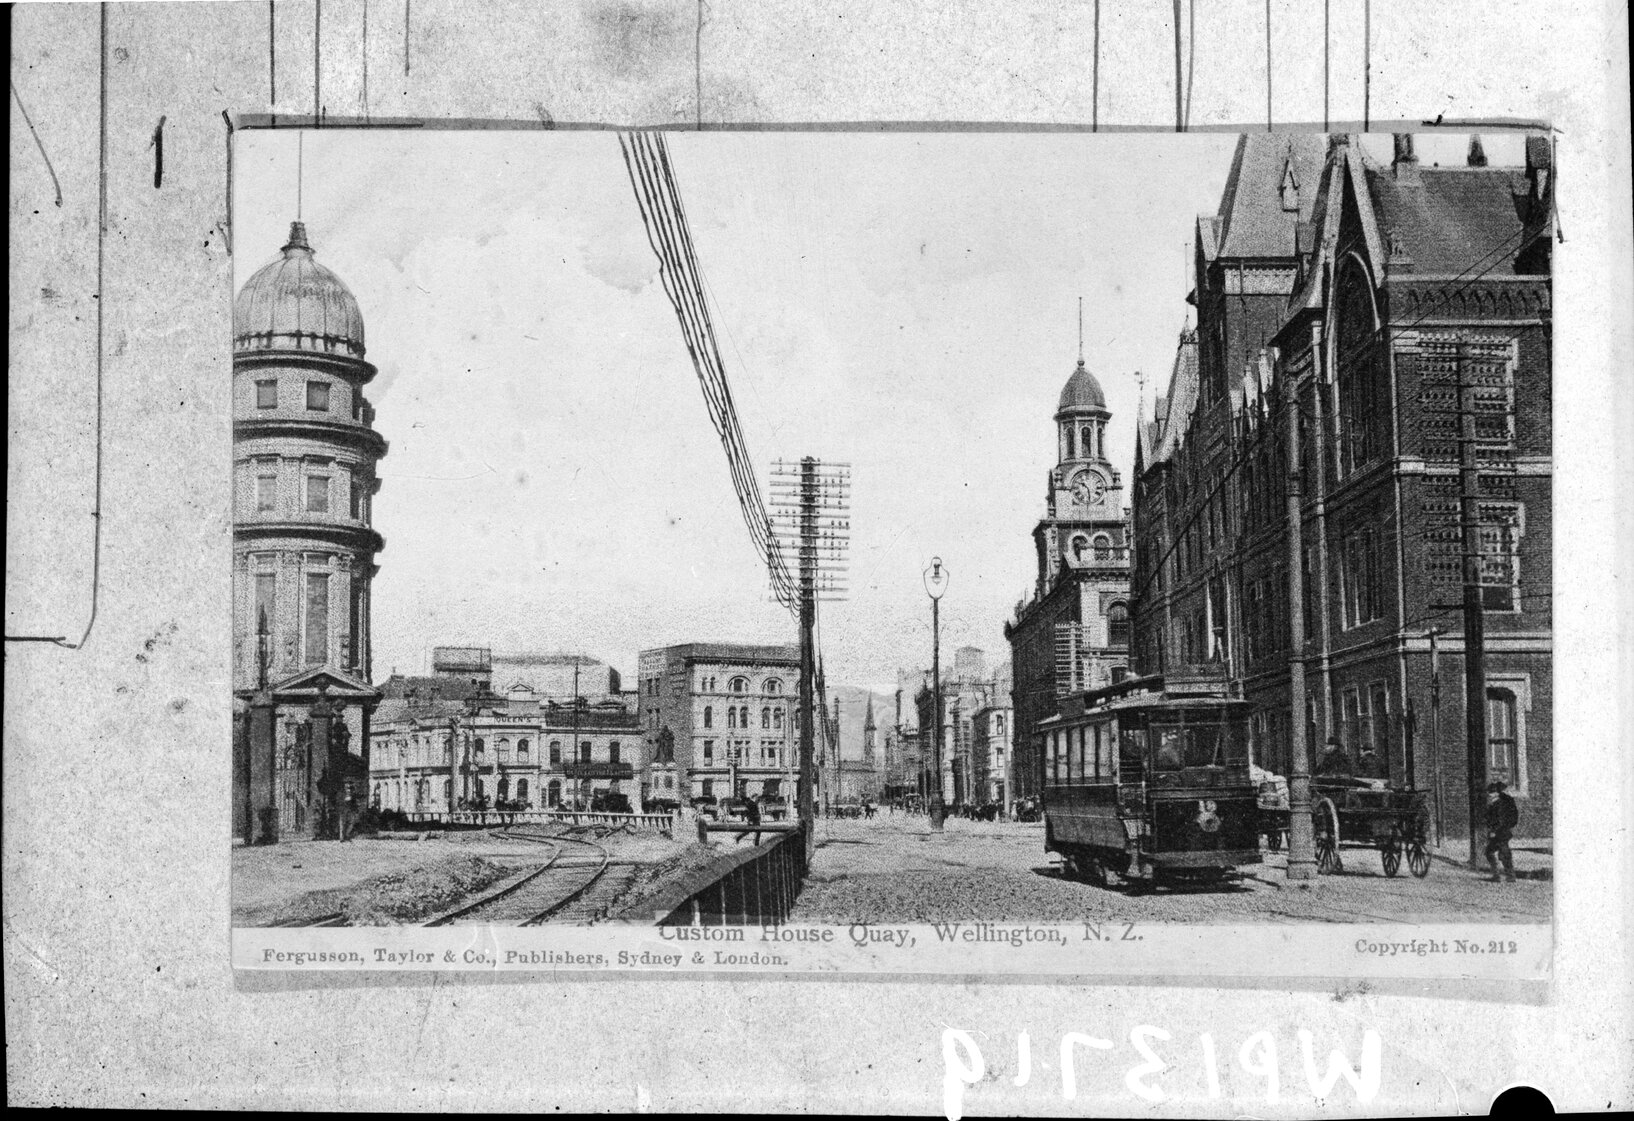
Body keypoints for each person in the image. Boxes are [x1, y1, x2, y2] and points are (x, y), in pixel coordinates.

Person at [1485, 781, 1519, 882]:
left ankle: (1498, 875)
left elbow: (1499, 819)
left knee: (1491, 852)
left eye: (1490, 793)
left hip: (1499, 833)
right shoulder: (1504, 802)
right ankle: (1508, 875)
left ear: (1496, 793)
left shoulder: (1498, 804)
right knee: (1503, 853)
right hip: (1504, 832)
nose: (1489, 795)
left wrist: (1493, 831)